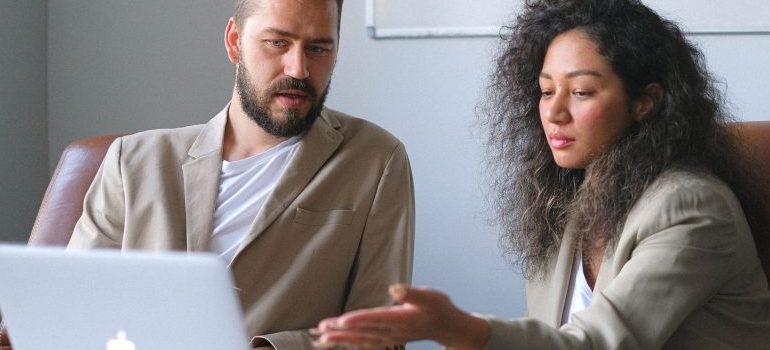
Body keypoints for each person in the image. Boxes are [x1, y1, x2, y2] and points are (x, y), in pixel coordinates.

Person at [314, 0, 770, 349]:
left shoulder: (691, 207)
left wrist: (457, 327)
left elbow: (595, 344)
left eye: (582, 91)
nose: (553, 112)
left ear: (644, 102)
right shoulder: (568, 200)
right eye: (546, 90)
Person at [67, 0, 414, 349]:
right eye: (278, 43)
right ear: (235, 42)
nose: (298, 69)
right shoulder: (135, 161)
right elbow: (72, 303)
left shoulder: (374, 160)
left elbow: (382, 334)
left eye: (318, 48)